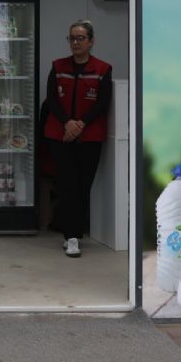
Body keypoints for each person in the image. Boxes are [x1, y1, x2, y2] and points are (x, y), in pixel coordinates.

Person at [40, 21, 112, 258]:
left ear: (91, 41)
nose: (75, 42)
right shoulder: (58, 66)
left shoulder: (102, 69)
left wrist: (80, 124)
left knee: (83, 186)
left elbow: (102, 103)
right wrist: (67, 123)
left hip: (89, 136)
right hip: (60, 136)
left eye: (81, 38)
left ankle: (73, 232)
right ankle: (71, 237)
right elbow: (51, 99)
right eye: (72, 38)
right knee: (67, 185)